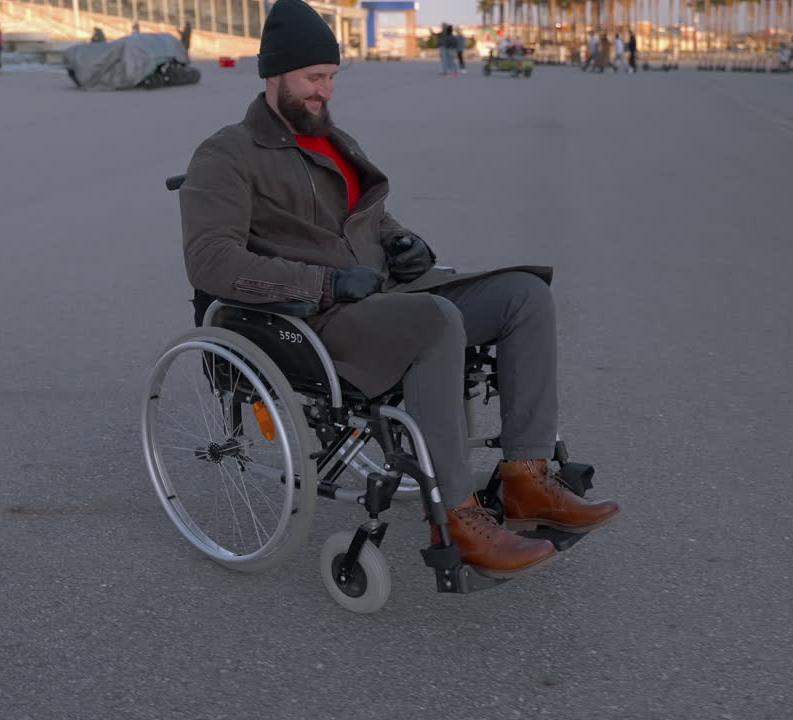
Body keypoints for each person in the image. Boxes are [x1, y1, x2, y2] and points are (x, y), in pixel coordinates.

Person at [178, 0, 620, 579]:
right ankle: (457, 516)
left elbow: (373, 220)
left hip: (385, 293)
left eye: (332, 78)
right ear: (274, 75)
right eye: (314, 78)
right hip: (315, 316)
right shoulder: (227, 153)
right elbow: (210, 261)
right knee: (435, 321)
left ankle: (525, 479)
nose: (324, 92)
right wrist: (326, 281)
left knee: (524, 296)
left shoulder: (334, 139)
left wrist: (406, 241)